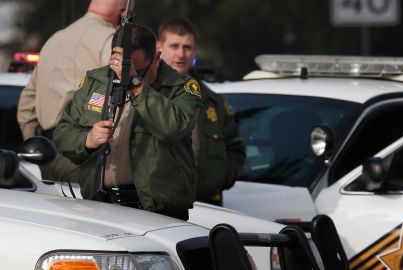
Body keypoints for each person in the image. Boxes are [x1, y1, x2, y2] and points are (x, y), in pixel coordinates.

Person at [53, 24, 202, 221]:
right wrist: (87, 140)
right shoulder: (95, 81)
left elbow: (174, 127)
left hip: (157, 210)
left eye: (138, 71)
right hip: (100, 203)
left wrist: (137, 85)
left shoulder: (181, 87)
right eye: (121, 70)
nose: (124, 78)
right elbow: (62, 133)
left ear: (156, 58)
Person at [17, 0, 134, 181]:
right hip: (84, 154)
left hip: (47, 156)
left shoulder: (54, 39)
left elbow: (27, 105)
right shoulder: (111, 40)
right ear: (122, 13)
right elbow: (121, 93)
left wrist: (37, 148)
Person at [157, 19, 245, 206]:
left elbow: (235, 148)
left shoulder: (213, 100)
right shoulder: (146, 94)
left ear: (195, 50)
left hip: (207, 203)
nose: (181, 54)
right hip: (160, 204)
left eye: (187, 47)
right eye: (174, 46)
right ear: (160, 47)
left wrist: (220, 179)